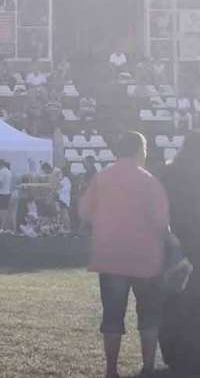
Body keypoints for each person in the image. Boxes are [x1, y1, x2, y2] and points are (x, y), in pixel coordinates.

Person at [79, 132, 169, 378]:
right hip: (145, 258)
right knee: (148, 315)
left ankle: (111, 369)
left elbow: (85, 212)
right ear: (140, 150)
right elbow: (161, 222)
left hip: (110, 256)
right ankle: (148, 367)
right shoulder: (149, 181)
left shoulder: (101, 178)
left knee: (112, 315)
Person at [158, 133, 200, 373]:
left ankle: (172, 351)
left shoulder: (167, 173)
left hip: (173, 245)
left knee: (173, 300)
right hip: (196, 244)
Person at [0, 159, 15, 234]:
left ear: (0, 164)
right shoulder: (9, 172)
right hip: (7, 193)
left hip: (1, 194)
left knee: (2, 212)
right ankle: (7, 227)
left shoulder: (1, 171)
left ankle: (2, 228)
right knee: (6, 211)